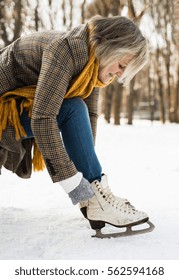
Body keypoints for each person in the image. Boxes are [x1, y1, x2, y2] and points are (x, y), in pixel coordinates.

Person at [0, 15, 150, 232]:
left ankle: (98, 202)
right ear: (110, 48)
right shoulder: (65, 51)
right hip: (5, 112)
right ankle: (98, 203)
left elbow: (89, 117)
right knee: (71, 108)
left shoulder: (90, 67)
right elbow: (44, 118)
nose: (119, 75)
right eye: (121, 65)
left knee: (77, 108)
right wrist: (76, 186)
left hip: (16, 110)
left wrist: (92, 183)